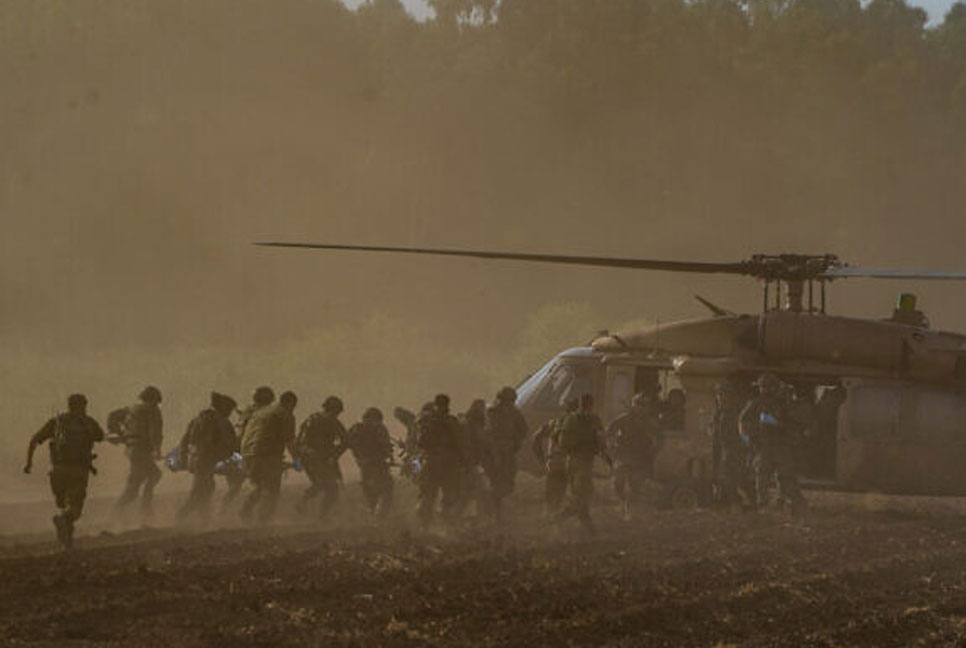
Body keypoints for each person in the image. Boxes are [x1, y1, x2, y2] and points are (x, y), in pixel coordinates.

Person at [23, 394, 104, 550]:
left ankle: (67, 544)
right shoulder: (88, 422)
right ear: (84, 405)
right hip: (78, 471)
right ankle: (62, 523)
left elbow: (34, 440)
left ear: (69, 406)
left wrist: (29, 463)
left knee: (64, 505)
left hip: (58, 471)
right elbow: (100, 437)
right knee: (74, 510)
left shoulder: (57, 422)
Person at [739, 373, 806, 515]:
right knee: (762, 475)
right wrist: (749, 439)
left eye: (768, 386)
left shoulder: (784, 404)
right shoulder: (755, 404)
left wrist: (777, 423)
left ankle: (783, 502)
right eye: (762, 387)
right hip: (763, 446)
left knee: (785, 475)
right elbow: (743, 422)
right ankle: (762, 504)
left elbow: (793, 424)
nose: (765, 390)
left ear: (774, 387)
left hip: (780, 445)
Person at [176, 392, 238, 522]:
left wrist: (183, 458)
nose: (230, 413)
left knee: (206, 488)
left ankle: (205, 519)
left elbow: (184, 440)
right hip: (206, 460)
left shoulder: (198, 419)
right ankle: (181, 516)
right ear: (224, 408)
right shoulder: (222, 421)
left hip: (195, 459)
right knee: (199, 491)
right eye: (229, 409)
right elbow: (231, 444)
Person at [239, 390, 298, 524]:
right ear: (291, 404)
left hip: (247, 454)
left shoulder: (261, 412)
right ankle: (264, 522)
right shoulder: (285, 414)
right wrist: (297, 459)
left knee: (259, 486)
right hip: (266, 455)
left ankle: (245, 510)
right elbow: (289, 440)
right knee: (271, 489)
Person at [554, 393, 605, 534]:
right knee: (584, 494)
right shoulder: (594, 419)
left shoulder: (570, 418)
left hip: (571, 461)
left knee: (580, 494)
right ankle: (560, 517)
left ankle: (589, 528)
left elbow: (562, 441)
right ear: (591, 404)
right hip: (585, 461)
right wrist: (604, 453)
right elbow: (601, 438)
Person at [606, 392, 660, 520]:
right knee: (618, 482)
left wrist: (653, 451)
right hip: (623, 456)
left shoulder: (649, 422)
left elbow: (657, 438)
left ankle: (629, 509)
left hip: (640, 458)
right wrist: (611, 446)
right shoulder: (624, 419)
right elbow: (610, 430)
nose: (640, 407)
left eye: (643, 405)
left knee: (635, 486)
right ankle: (623, 502)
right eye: (638, 404)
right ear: (633, 404)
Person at [113, 386, 164, 517]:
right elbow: (155, 432)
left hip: (132, 449)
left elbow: (114, 418)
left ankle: (117, 511)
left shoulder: (132, 409)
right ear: (153, 399)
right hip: (141, 450)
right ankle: (145, 509)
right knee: (154, 475)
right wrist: (157, 450)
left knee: (134, 486)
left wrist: (121, 435)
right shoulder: (152, 410)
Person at [295, 396, 349, 519]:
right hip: (316, 458)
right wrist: (335, 454)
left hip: (310, 457)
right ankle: (320, 515)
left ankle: (304, 503)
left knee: (321, 485)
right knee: (331, 489)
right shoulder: (332, 421)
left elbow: (300, 442)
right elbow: (346, 441)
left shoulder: (312, 419)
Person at [223, 386, 274, 512]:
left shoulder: (248, 412)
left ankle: (223, 511)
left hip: (239, 451)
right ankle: (245, 511)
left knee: (235, 486)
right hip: (252, 453)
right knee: (261, 485)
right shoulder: (261, 414)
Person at [416, 394, 464, 530]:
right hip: (449, 462)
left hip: (431, 461)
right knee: (449, 493)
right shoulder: (452, 421)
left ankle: (424, 526)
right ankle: (446, 523)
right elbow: (461, 443)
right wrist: (464, 462)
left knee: (428, 494)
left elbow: (420, 442)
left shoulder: (427, 421)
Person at [483, 386, 528, 521]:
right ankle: (495, 514)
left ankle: (491, 504)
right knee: (497, 481)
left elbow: (524, 430)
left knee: (507, 484)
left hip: (506, 451)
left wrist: (515, 442)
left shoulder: (514, 413)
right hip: (495, 451)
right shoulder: (492, 412)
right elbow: (487, 432)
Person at [531, 398, 577, 517]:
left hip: (555, 462)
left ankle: (551, 518)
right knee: (564, 493)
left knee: (553, 493)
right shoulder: (577, 425)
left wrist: (541, 459)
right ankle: (553, 519)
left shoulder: (554, 423)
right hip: (568, 463)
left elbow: (536, 439)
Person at [346, 407, 395, 517]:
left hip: (363, 464)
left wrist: (359, 456)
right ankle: (380, 515)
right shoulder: (379, 427)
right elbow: (385, 445)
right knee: (386, 488)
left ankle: (372, 511)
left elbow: (347, 442)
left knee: (369, 489)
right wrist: (389, 456)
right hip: (378, 463)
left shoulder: (355, 428)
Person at [710, 381, 752, 509]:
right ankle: (728, 502)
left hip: (736, 449)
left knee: (737, 477)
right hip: (722, 448)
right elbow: (714, 430)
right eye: (719, 394)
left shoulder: (738, 412)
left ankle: (741, 502)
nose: (721, 398)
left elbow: (744, 432)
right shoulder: (718, 412)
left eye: (724, 394)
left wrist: (746, 446)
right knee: (723, 476)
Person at [457, 399, 491, 518]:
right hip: (469, 464)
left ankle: (466, 518)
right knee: (474, 491)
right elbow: (476, 443)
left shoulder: (467, 423)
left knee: (471, 492)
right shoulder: (471, 425)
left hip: (468, 464)